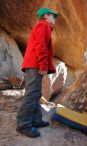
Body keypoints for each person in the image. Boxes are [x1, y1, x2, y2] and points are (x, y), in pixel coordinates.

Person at [16, 8, 58, 138]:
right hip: (35, 64)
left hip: (32, 64)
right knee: (32, 94)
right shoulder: (43, 25)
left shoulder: (42, 26)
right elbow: (41, 45)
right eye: (53, 16)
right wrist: (43, 64)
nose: (55, 19)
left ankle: (36, 120)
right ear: (46, 16)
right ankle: (23, 125)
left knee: (36, 93)